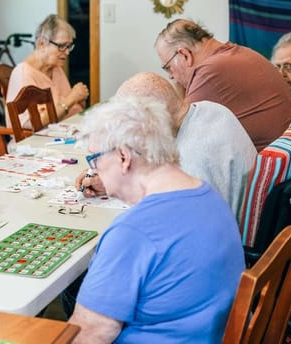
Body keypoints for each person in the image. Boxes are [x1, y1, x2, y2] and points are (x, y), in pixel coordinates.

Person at [68, 94, 245, 343]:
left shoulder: (133, 232)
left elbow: (89, 334)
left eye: (95, 159)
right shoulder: (209, 197)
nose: (94, 170)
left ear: (123, 156)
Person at [76, 72, 257, 217]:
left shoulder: (191, 159)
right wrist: (112, 177)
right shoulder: (211, 110)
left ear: (151, 117)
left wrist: (120, 183)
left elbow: (170, 214)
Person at [155, 18, 291, 151]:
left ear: (185, 55)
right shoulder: (237, 53)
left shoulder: (210, 72)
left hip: (271, 174)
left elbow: (177, 136)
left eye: (168, 67)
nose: (171, 76)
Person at [5, 14, 89, 129]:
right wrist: (72, 99)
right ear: (42, 44)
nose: (67, 52)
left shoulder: (55, 68)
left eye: (69, 46)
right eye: (61, 46)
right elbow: (34, 124)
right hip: (33, 140)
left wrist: (79, 99)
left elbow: (68, 107)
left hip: (62, 130)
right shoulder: (24, 74)